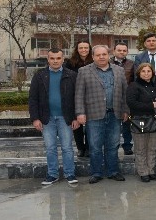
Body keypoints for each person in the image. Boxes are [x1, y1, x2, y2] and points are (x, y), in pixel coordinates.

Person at [75, 45, 129, 184]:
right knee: (95, 146)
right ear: (93, 56)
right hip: (93, 115)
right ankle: (96, 173)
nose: (101, 57)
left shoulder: (119, 70)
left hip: (115, 114)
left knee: (113, 145)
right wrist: (80, 113)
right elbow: (79, 94)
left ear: (108, 55)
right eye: (98, 55)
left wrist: (126, 110)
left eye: (104, 54)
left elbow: (125, 93)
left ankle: (113, 171)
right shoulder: (84, 71)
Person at [28, 48, 79, 185]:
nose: (55, 61)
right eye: (52, 58)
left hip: (65, 118)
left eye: (58, 58)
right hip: (46, 118)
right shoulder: (39, 76)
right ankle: (52, 174)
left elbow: (77, 98)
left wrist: (75, 117)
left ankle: (70, 174)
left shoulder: (72, 75)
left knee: (67, 147)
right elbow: (33, 99)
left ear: (63, 59)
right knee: (50, 148)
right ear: (48, 60)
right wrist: (35, 118)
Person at [134, 32, 156, 155]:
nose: (151, 43)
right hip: (146, 90)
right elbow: (137, 74)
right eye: (148, 41)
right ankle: (148, 144)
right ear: (145, 43)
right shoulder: (139, 57)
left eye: (154, 40)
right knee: (150, 115)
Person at [126, 63, 156, 182]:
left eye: (149, 71)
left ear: (152, 73)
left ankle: (151, 170)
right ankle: (143, 172)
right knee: (140, 148)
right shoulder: (133, 86)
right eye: (143, 71)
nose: (146, 73)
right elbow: (132, 103)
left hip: (155, 121)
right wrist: (150, 106)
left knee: (152, 148)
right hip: (139, 121)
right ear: (138, 73)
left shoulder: (155, 86)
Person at [64, 39, 93, 158]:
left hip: (91, 96)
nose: (83, 50)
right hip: (75, 95)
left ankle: (90, 147)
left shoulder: (94, 61)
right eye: (81, 48)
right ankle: (81, 148)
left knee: (91, 125)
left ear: (89, 49)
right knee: (77, 125)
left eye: (86, 48)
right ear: (77, 49)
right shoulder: (70, 63)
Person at [111, 42, 135, 156]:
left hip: (127, 97)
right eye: (119, 50)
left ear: (127, 52)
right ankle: (113, 146)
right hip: (112, 97)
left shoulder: (132, 64)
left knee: (127, 123)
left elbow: (134, 80)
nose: (122, 52)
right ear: (114, 51)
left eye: (124, 50)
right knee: (113, 124)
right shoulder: (108, 62)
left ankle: (127, 146)